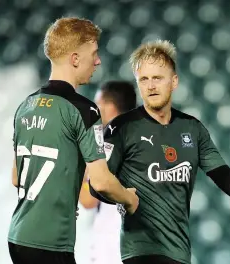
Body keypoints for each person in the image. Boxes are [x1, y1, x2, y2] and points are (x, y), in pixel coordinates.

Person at [90, 40, 230, 264]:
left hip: (179, 252)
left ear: (174, 82)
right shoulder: (120, 128)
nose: (151, 85)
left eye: (157, 78)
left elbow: (222, 175)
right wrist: (126, 199)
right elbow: (98, 186)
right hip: (139, 251)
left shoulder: (192, 128)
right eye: (144, 79)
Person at [7, 17, 139, 264]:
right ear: (76, 58)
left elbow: (16, 177)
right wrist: (129, 198)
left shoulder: (24, 107)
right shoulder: (84, 110)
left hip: (18, 236)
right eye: (94, 53)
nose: (98, 61)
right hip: (51, 242)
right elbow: (100, 183)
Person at [77, 81, 137, 264]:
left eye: (98, 104)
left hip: (112, 250)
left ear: (109, 108)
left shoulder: (105, 144)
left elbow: (88, 199)